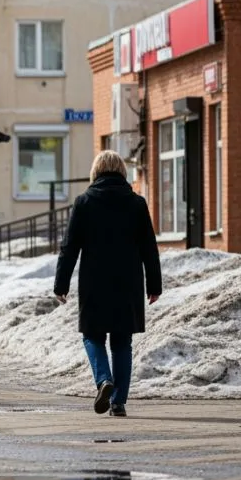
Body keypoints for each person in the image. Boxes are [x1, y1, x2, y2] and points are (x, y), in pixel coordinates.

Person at [54, 150, 161, 418]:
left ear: (96, 171)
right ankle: (118, 402)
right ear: (122, 171)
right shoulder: (137, 203)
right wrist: (154, 284)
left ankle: (103, 380)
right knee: (122, 341)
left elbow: (70, 247)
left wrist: (61, 284)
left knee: (92, 335)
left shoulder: (84, 202)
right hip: (128, 283)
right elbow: (149, 247)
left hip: (94, 282)